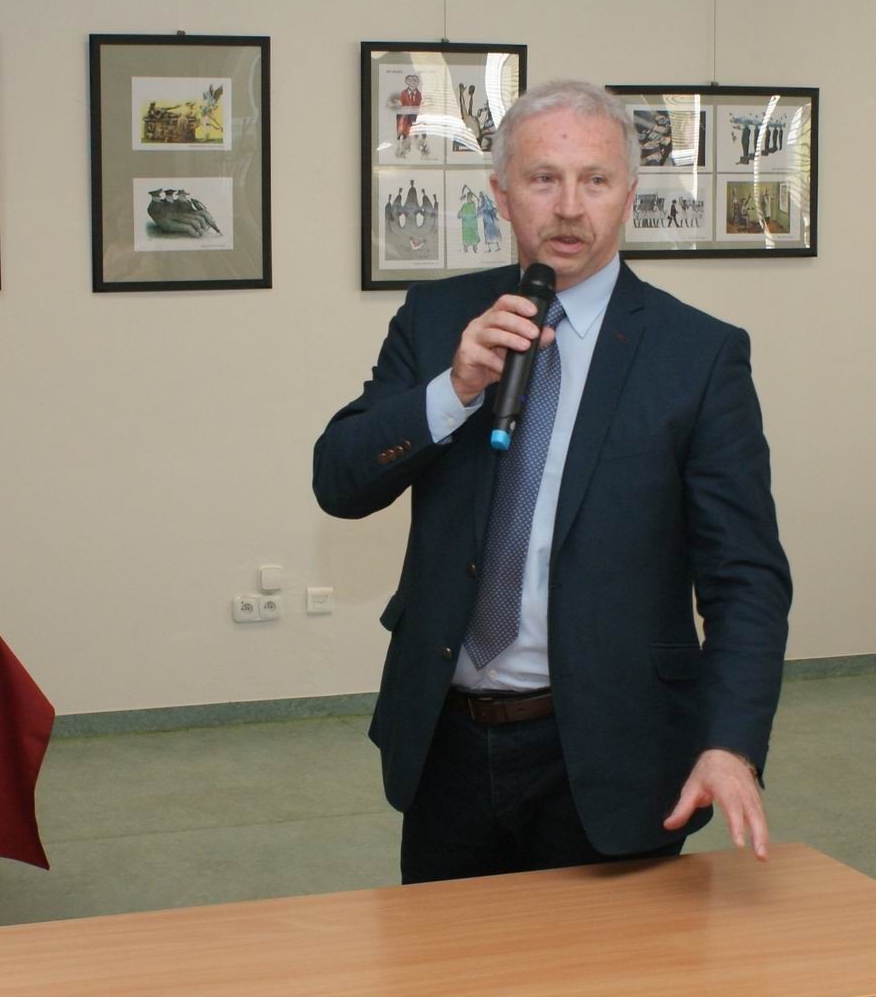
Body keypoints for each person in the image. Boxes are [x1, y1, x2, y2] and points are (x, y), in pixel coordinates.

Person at [313, 80, 791, 885]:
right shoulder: (437, 320)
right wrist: (453, 390)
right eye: (544, 179)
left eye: (595, 180)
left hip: (615, 744)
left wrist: (730, 742)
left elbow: (745, 577)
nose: (569, 207)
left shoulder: (698, 356)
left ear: (628, 197)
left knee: (607, 968)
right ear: (501, 195)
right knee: (446, 964)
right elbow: (340, 481)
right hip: (447, 742)